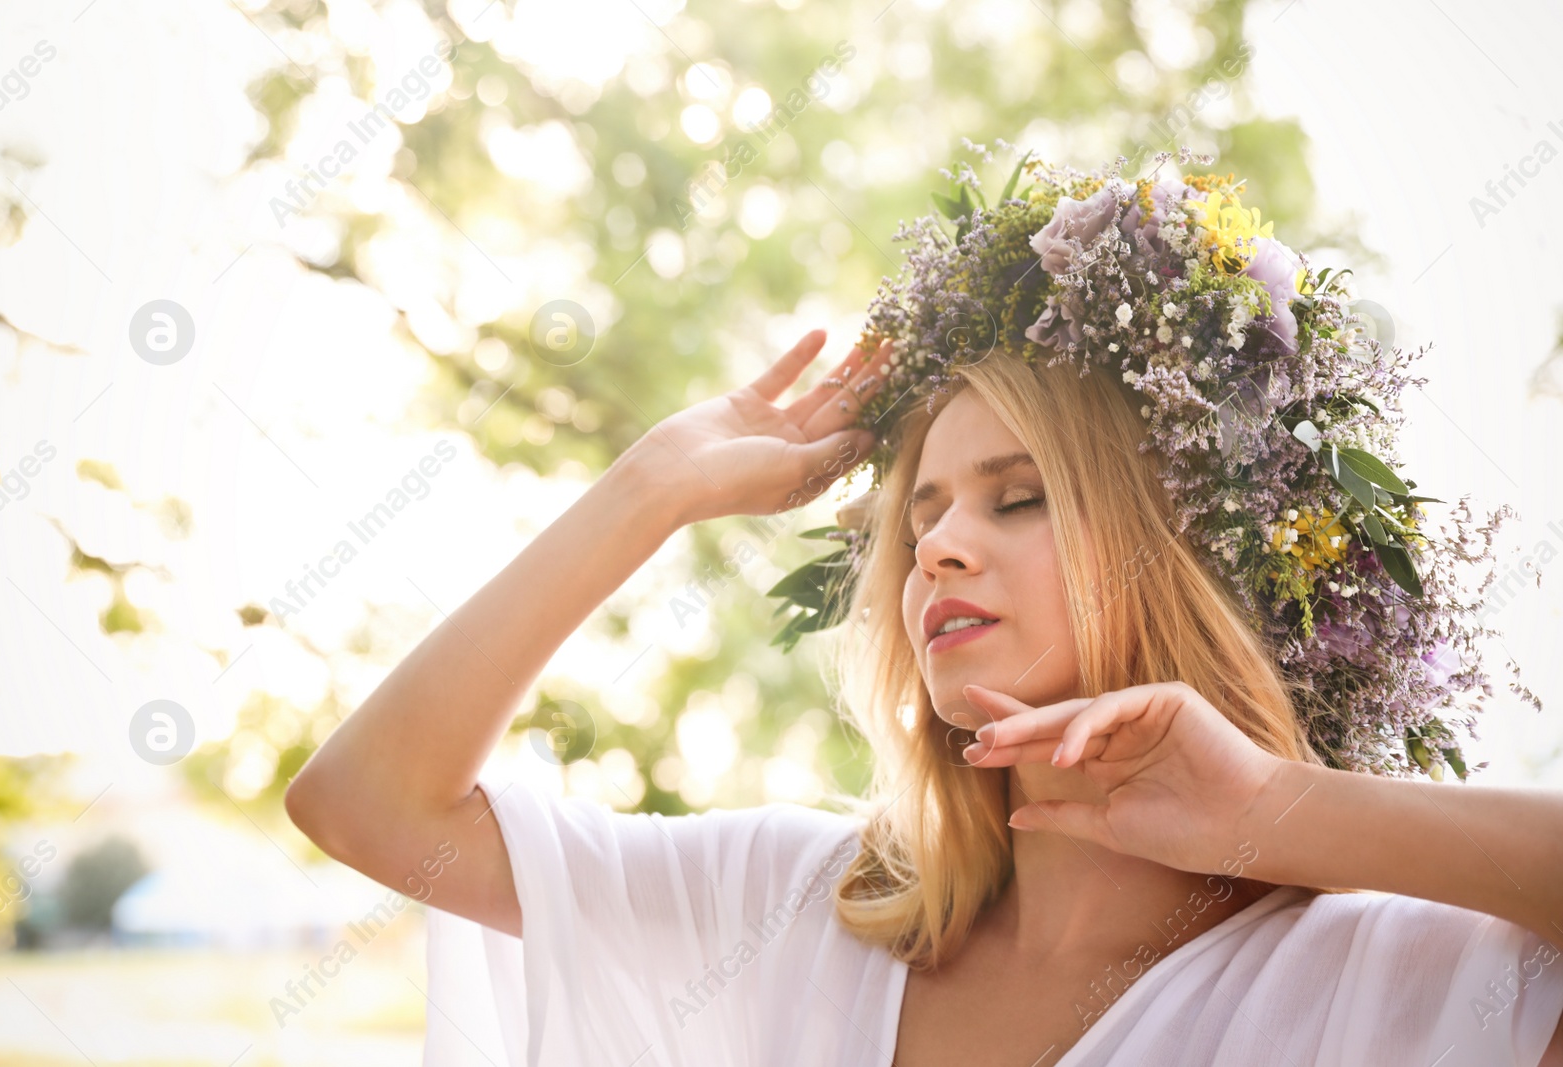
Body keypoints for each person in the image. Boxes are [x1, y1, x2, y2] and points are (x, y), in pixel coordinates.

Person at [284, 153, 1563, 1066]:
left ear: (1177, 559)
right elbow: (367, 804)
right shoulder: (794, 908)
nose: (938, 546)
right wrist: (650, 487)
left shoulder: (1391, 985)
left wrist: (1272, 815)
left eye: (1016, 498)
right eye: (919, 515)